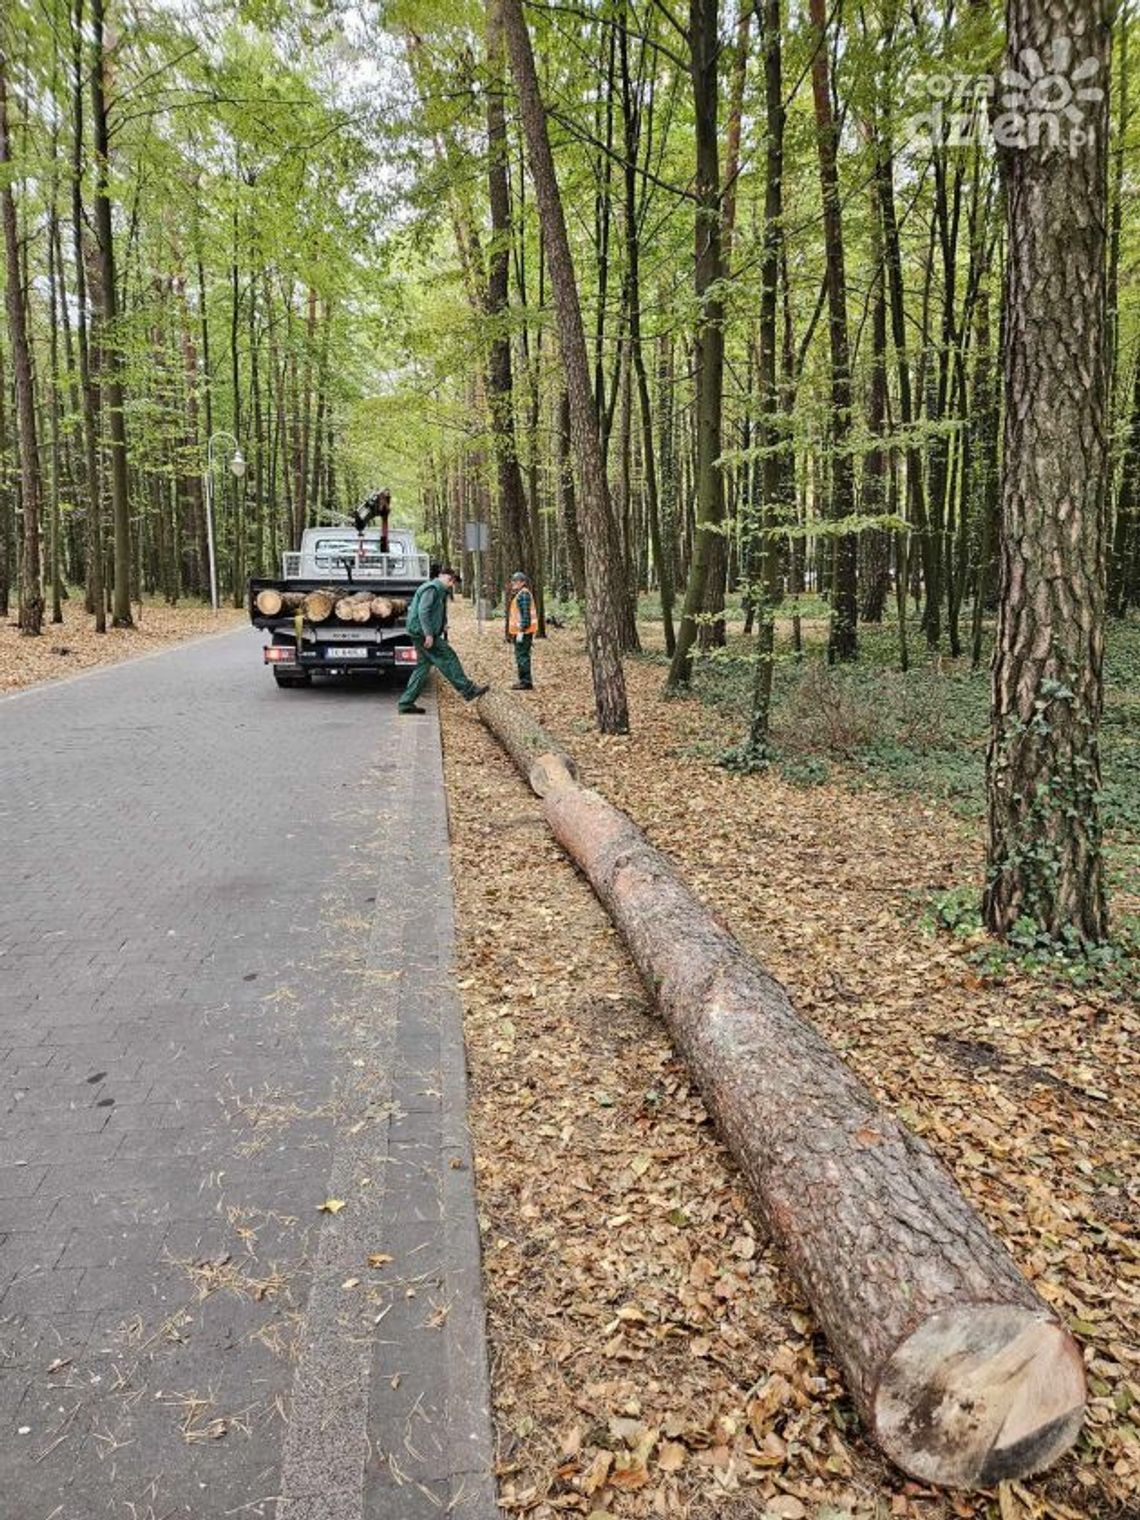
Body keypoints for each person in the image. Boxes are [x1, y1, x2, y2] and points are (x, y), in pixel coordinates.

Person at [398, 566, 488, 715]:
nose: (452, 586)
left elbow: (435, 610)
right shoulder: (432, 589)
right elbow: (423, 611)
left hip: (419, 632)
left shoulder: (437, 590)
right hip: (421, 633)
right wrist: (428, 634)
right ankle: (468, 690)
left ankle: (406, 703)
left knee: (422, 667)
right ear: (448, 579)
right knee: (448, 657)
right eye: (452, 583)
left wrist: (442, 624)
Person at [507, 571, 537, 691]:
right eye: (513, 581)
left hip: (523, 632)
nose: (513, 583)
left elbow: (526, 615)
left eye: (516, 581)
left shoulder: (524, 594)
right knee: (521, 655)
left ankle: (525, 682)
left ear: (523, 582)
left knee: (522, 656)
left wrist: (521, 630)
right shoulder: (520, 594)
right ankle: (524, 680)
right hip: (521, 631)